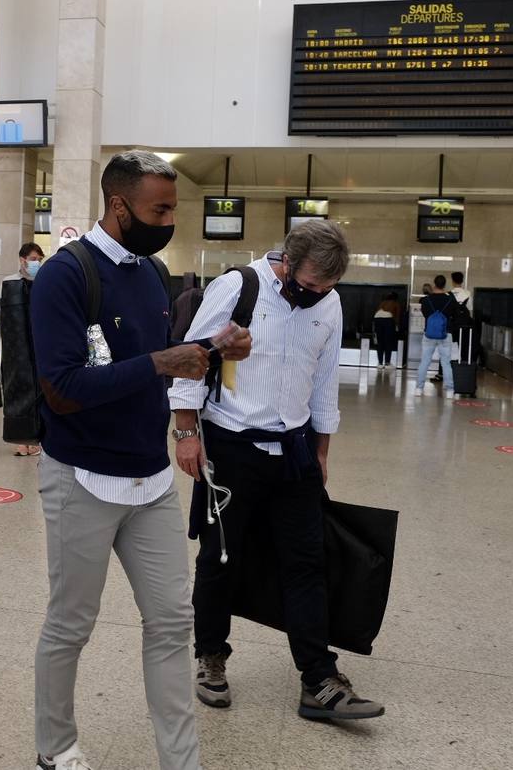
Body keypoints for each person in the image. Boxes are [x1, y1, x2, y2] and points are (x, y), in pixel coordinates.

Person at [29, 151, 249, 770]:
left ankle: (182, 760)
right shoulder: (65, 276)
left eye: (173, 207)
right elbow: (62, 388)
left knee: (172, 623)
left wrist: (213, 346)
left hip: (149, 479)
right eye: (160, 208)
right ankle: (56, 748)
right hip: (82, 478)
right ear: (119, 205)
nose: (170, 218)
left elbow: (158, 359)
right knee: (71, 623)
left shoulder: (153, 273)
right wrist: (161, 363)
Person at [173, 220, 385, 723]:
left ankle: (318, 680)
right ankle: (211, 657)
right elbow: (191, 360)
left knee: (308, 562)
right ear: (288, 263)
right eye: (310, 285)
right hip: (230, 445)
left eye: (327, 288)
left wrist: (322, 449)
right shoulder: (238, 287)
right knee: (221, 557)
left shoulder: (328, 304)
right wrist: (185, 433)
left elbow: (325, 380)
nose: (317, 295)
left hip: (294, 449)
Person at [0, 242, 45, 457]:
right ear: (22, 260)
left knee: (40, 391)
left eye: (39, 259)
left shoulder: (45, 281)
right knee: (17, 390)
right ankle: (21, 440)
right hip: (16, 350)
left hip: (39, 346)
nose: (37, 263)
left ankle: (38, 438)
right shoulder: (8, 283)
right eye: (33, 259)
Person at [416, 275, 458, 397]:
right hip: (446, 334)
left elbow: (425, 314)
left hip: (429, 335)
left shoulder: (426, 300)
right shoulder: (450, 299)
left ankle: (419, 389)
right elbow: (454, 314)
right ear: (445, 285)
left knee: (425, 362)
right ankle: (450, 390)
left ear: (434, 284)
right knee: (446, 363)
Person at [373, 291, 401, 368]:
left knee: (380, 341)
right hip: (388, 320)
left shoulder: (383, 302)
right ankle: (387, 363)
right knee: (388, 341)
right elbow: (397, 316)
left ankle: (380, 363)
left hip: (377, 319)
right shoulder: (396, 303)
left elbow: (377, 312)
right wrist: (397, 326)